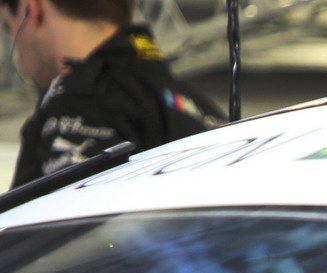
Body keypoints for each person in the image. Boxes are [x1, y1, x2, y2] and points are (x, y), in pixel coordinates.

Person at [4, 0, 220, 189]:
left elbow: (62, 220)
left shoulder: (78, 100)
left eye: (8, 26)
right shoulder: (201, 107)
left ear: (34, 9)